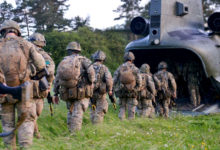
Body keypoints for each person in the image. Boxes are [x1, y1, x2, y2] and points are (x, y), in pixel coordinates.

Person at [0, 20, 46, 148]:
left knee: (7, 124)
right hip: (24, 91)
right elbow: (42, 65)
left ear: (3, 31)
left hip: (3, 92)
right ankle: (25, 147)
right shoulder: (26, 44)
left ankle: (10, 147)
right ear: (17, 31)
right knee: (26, 121)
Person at [54, 41, 95, 132]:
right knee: (78, 113)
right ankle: (75, 134)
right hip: (81, 91)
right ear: (78, 50)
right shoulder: (84, 60)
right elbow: (91, 74)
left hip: (67, 91)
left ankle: (70, 130)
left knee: (71, 111)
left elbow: (57, 78)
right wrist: (91, 82)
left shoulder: (63, 61)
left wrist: (55, 93)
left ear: (68, 50)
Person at [29, 33, 55, 138]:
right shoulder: (43, 54)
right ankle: (35, 134)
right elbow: (50, 71)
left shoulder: (24, 51)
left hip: (24, 85)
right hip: (39, 86)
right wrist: (48, 84)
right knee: (36, 111)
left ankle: (33, 132)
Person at [113, 52, 141, 120]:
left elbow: (114, 80)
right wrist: (136, 89)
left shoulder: (120, 68)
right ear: (132, 59)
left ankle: (121, 121)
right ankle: (130, 123)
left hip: (122, 90)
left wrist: (114, 89)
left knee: (122, 107)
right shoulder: (135, 68)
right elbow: (139, 81)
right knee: (131, 108)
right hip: (132, 91)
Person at [90, 50, 113, 124]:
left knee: (93, 109)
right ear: (103, 59)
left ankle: (92, 124)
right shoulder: (104, 68)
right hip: (101, 93)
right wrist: (110, 90)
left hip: (90, 93)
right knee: (100, 110)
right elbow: (109, 79)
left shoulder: (89, 67)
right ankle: (97, 127)